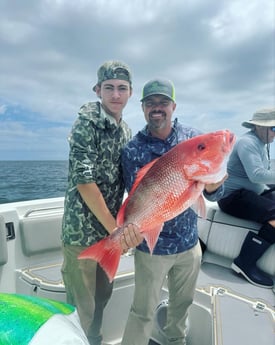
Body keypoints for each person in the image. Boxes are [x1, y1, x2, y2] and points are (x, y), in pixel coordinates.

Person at [120, 78, 226, 345]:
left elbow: (213, 192)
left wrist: (213, 187)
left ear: (173, 106)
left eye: (163, 102)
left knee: (181, 309)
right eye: (151, 103)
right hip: (150, 249)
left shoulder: (193, 139)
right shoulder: (132, 150)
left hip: (189, 245)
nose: (157, 108)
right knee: (141, 313)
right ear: (143, 108)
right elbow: (135, 199)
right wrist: (125, 231)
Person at [61, 60, 142, 345]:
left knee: (102, 298)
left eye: (122, 88)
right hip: (82, 234)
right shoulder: (86, 122)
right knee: (81, 307)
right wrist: (116, 230)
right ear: (98, 90)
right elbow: (84, 181)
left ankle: (93, 340)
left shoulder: (127, 132)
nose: (116, 95)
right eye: (109, 88)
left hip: (109, 235)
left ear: (131, 93)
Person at [218, 108, 275, 288]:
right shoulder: (247, 142)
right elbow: (257, 175)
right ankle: (244, 263)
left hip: (251, 193)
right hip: (232, 198)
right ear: (259, 127)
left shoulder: (261, 143)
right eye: (274, 128)